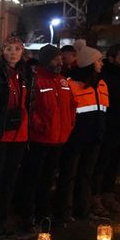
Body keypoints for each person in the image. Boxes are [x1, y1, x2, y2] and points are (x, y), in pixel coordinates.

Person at [16, 45, 76, 228]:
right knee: (32, 179)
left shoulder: (63, 81)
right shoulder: (37, 81)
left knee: (48, 179)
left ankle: (44, 213)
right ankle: (27, 215)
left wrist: (69, 125)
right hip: (40, 139)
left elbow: (72, 106)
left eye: (60, 58)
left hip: (58, 139)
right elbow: (29, 107)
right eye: (55, 58)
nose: (60, 61)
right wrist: (40, 125)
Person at [0, 37, 31, 239]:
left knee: (9, 180)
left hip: (19, 135)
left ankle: (2, 218)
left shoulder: (26, 73)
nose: (13, 53)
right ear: (2, 51)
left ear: (22, 51)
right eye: (8, 49)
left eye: (17, 49)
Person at [55, 40, 108, 222]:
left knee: (86, 175)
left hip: (94, 137)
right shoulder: (72, 85)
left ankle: (82, 210)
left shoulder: (101, 84)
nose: (101, 64)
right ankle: (64, 212)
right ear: (89, 64)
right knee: (68, 175)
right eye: (98, 61)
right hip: (75, 138)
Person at [92, 43, 120, 213]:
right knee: (101, 163)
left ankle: (109, 194)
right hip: (108, 127)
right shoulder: (103, 77)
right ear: (111, 58)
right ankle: (95, 196)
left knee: (115, 163)